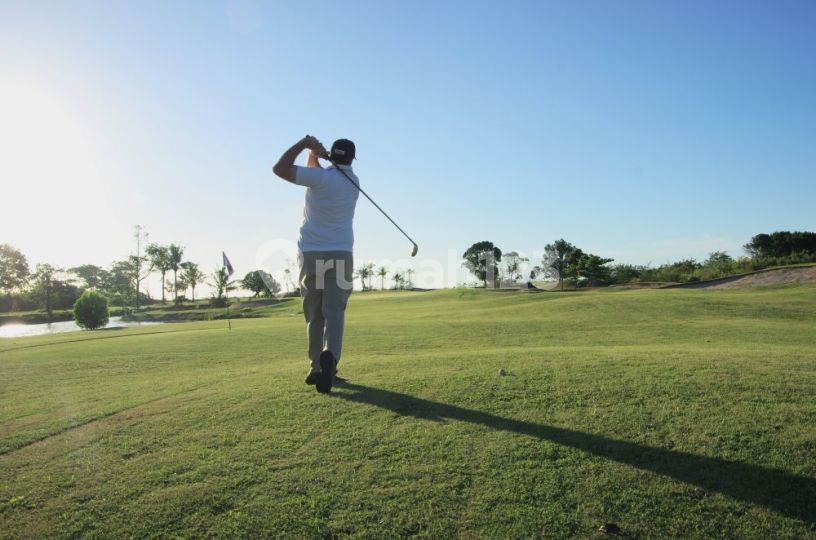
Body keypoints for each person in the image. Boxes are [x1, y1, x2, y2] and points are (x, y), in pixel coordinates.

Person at [273, 135, 359, 393]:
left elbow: (280, 168)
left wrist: (305, 145)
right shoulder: (353, 182)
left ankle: (316, 367)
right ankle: (330, 357)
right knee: (334, 311)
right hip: (341, 254)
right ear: (352, 159)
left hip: (311, 254)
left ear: (332, 155)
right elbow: (318, 173)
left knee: (314, 313)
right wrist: (316, 154)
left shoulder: (319, 178)